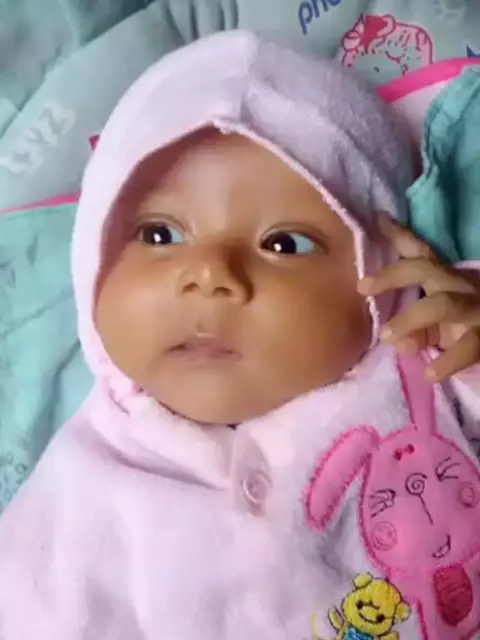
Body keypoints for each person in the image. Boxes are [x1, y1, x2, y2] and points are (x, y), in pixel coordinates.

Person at [1, 30, 480, 640]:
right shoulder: (69, 507)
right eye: (159, 235)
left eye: (283, 244)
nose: (210, 274)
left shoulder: (437, 361)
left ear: (380, 272)